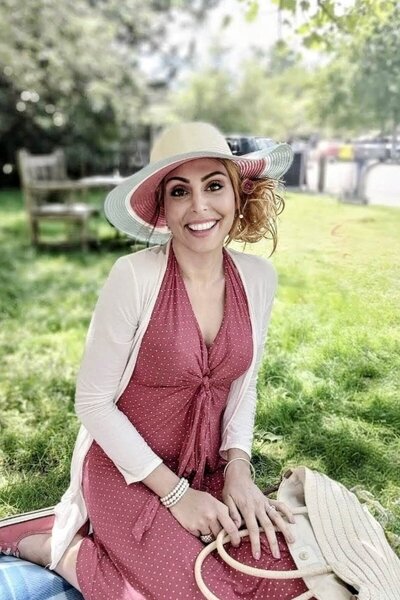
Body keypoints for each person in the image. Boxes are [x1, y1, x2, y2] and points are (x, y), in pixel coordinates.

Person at [0, 122, 315, 599]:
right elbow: (92, 403)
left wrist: (238, 469)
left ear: (237, 193)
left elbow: (243, 385)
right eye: (179, 191)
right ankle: (59, 551)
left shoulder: (258, 278)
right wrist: (176, 495)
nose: (200, 206)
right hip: (127, 471)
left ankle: (117, 559)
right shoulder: (133, 276)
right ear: (163, 208)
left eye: (214, 186)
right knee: (197, 593)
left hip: (207, 468)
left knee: (289, 575)